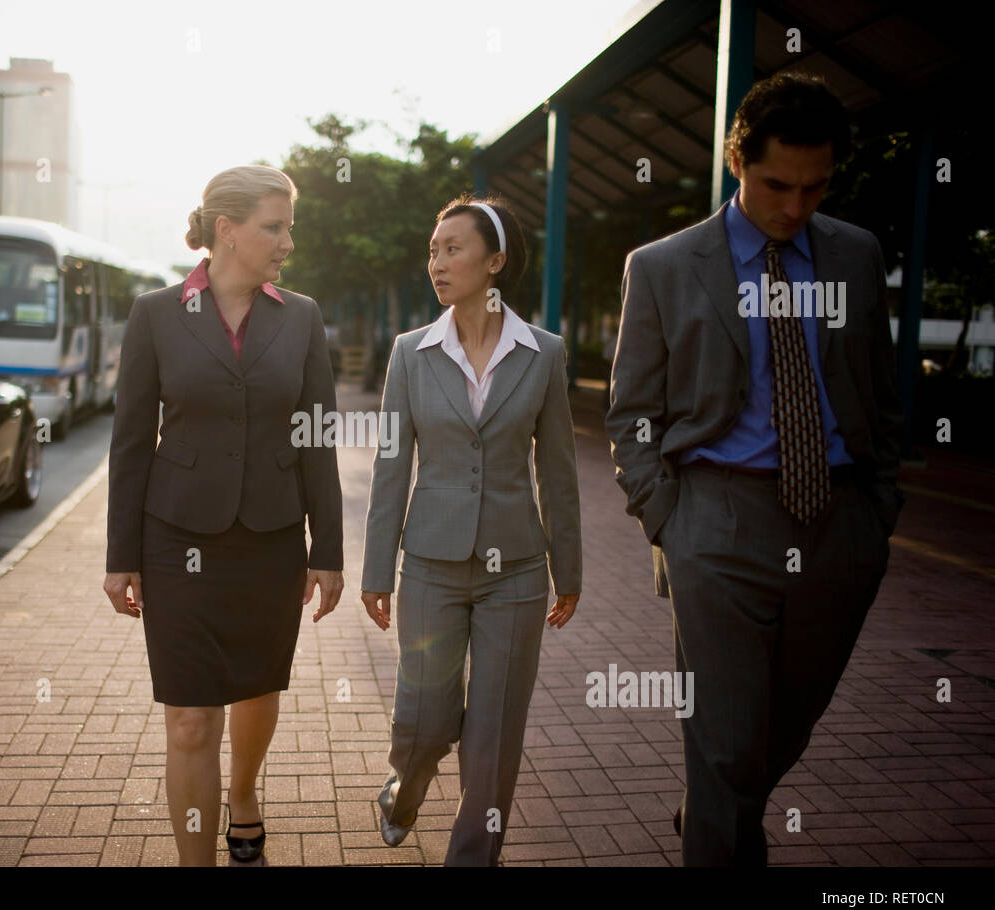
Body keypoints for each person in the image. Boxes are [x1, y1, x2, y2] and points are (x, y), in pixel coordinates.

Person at [605, 73, 903, 866]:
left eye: (815, 186)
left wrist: (878, 510)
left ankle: (714, 810)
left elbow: (881, 386)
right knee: (727, 738)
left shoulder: (856, 254)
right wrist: (668, 518)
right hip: (717, 520)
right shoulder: (664, 267)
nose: (795, 206)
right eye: (777, 184)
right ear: (738, 160)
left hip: (840, 524)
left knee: (788, 724)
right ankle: (721, 834)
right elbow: (633, 410)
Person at [103, 165, 344, 866]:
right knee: (187, 721)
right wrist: (121, 556)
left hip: (270, 540)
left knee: (258, 688)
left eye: (289, 226)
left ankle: (244, 793)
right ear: (226, 231)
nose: (287, 242)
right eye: (275, 226)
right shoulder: (154, 313)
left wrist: (325, 546)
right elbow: (129, 442)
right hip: (175, 540)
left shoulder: (301, 317)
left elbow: (317, 438)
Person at [360, 194, 582, 866]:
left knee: (493, 735)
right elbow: (391, 467)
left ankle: (472, 858)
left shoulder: (544, 354)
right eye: (434, 249)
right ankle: (405, 786)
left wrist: (568, 570)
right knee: (424, 717)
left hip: (516, 570)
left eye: (453, 248)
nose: (438, 261)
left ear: (495, 262)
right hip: (429, 564)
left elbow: (561, 470)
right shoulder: (410, 354)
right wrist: (376, 570)